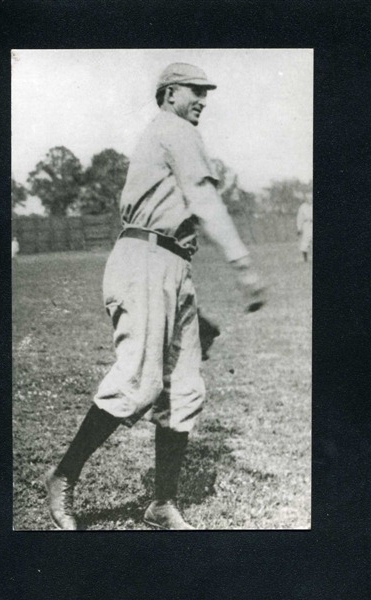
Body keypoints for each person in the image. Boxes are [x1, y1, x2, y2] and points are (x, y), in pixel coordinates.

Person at [46, 62, 266, 530]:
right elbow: (204, 199)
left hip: (173, 265)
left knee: (184, 390)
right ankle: (63, 476)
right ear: (169, 94)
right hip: (146, 259)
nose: (203, 99)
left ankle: (161, 504)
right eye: (195, 91)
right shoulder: (174, 128)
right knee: (139, 381)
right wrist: (243, 264)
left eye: (206, 92)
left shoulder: (171, 131)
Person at [296, 192, 313, 262]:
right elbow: (299, 218)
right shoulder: (302, 207)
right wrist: (299, 228)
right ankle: (305, 259)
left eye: (311, 198)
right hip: (307, 224)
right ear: (306, 199)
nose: (310, 199)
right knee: (305, 241)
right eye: (308, 198)